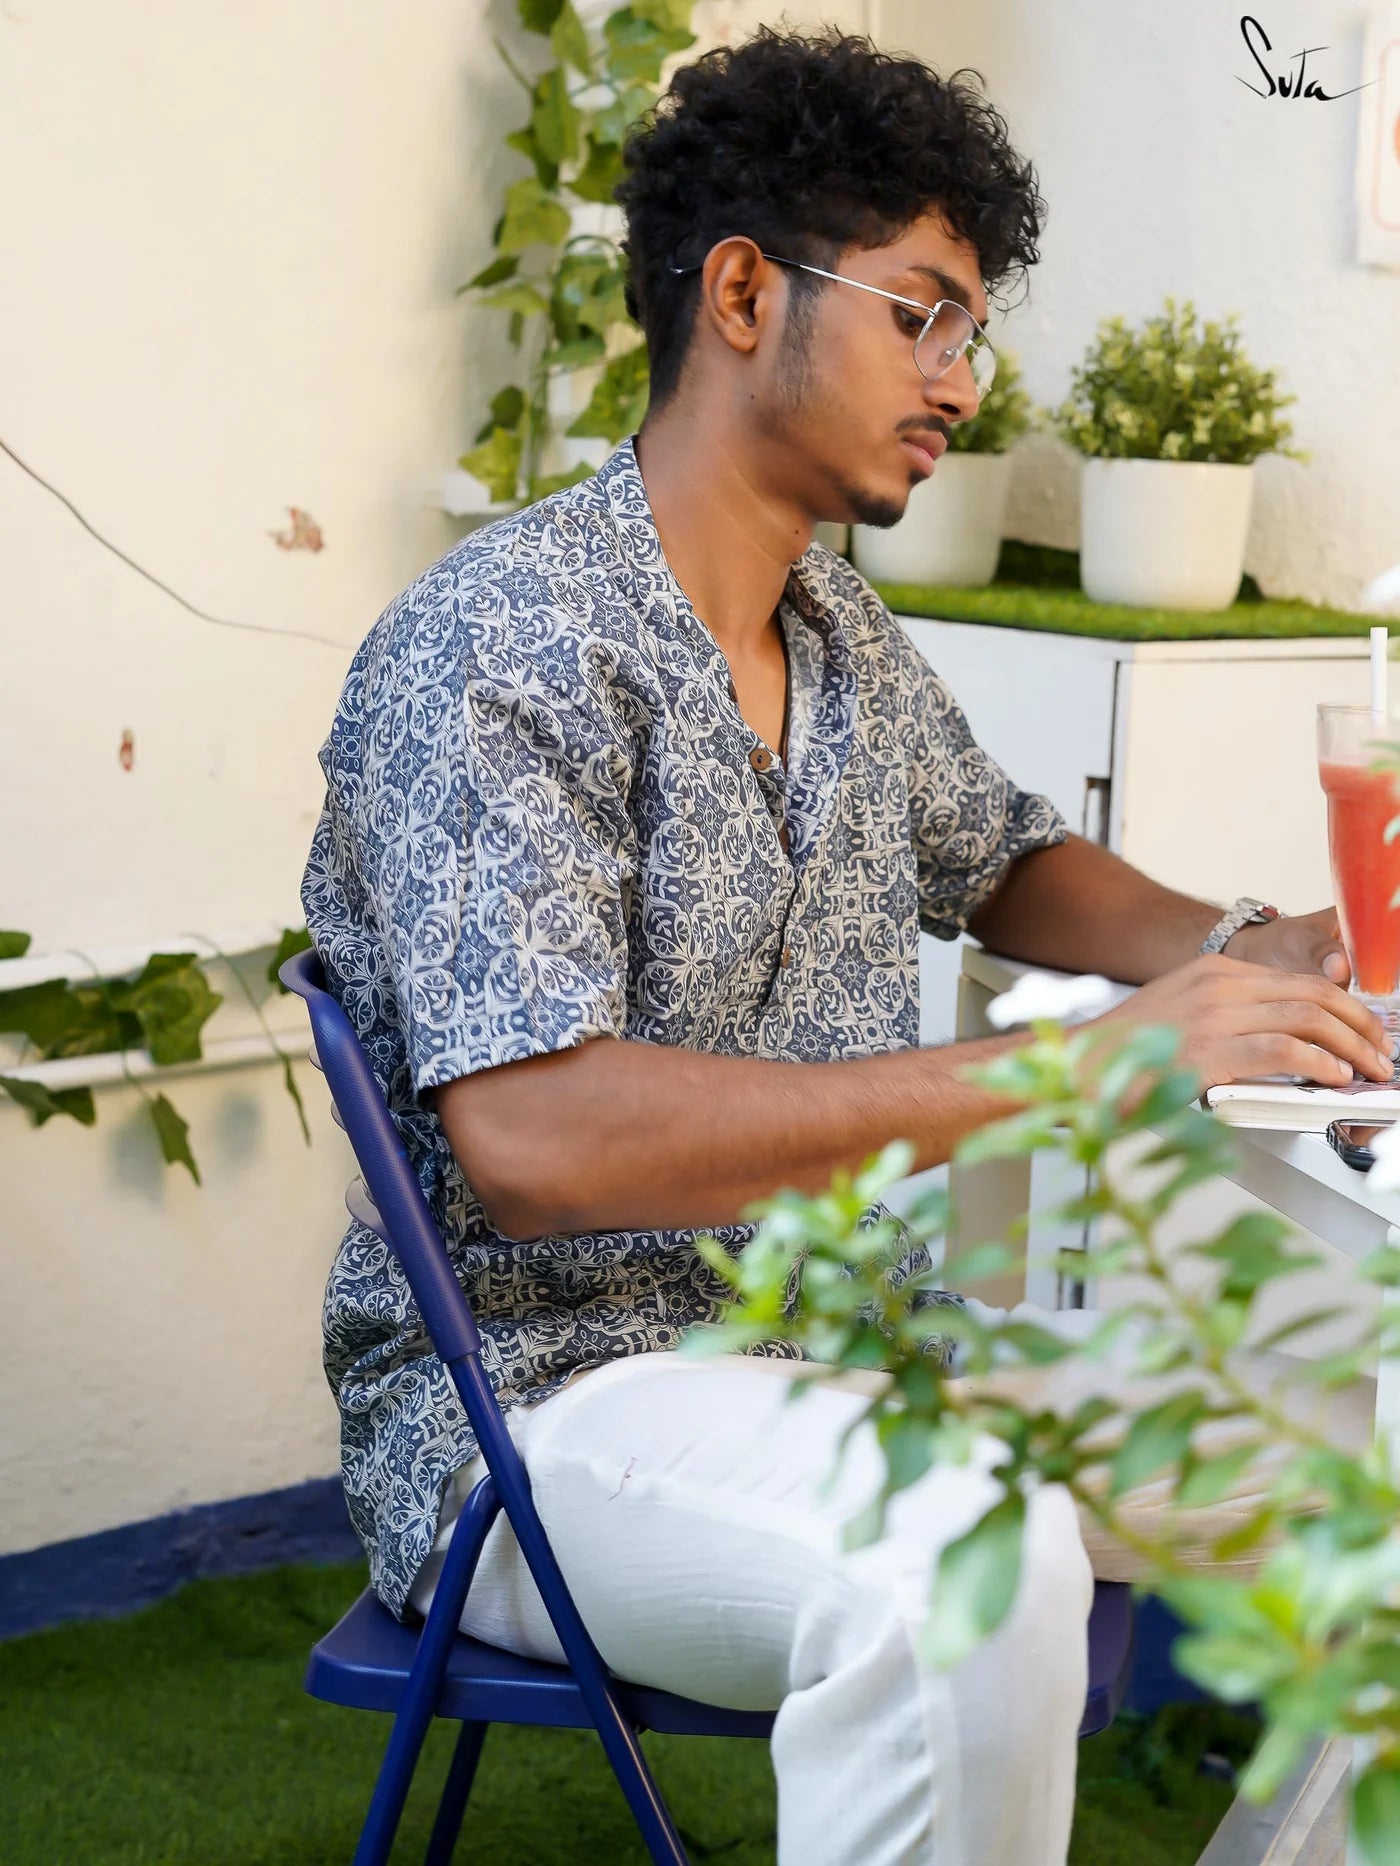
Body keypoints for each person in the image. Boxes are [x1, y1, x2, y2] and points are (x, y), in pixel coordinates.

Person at [301, 30, 1389, 1864]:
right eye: (925, 316)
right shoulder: (497, 646)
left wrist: (1249, 942)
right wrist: (1091, 1060)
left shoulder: (838, 630)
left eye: (972, 329)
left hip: (863, 1348)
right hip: (551, 1412)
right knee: (970, 1551)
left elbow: (1011, 860)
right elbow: (539, 1140)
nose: (963, 379)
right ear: (743, 292)